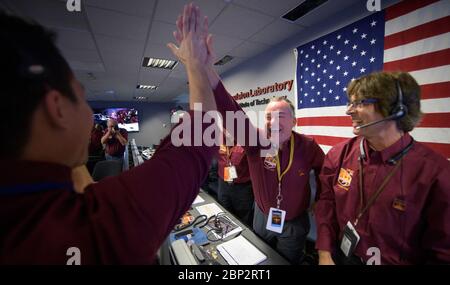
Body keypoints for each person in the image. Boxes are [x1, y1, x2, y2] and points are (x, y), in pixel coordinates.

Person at [0, 5, 218, 264]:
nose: (91, 116)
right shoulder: (93, 229)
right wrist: (196, 65)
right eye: (81, 96)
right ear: (57, 108)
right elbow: (200, 137)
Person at [168, 8, 325, 264]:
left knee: (287, 261)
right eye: (269, 117)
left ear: (295, 121)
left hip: (294, 222)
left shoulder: (308, 146)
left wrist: (319, 199)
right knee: (261, 260)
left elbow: (324, 172)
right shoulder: (257, 142)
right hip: (263, 216)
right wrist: (207, 72)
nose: (273, 122)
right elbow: (233, 113)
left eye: (281, 117)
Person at [314, 71, 450, 265]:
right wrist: (324, 253)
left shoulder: (436, 173)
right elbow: (326, 203)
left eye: (360, 103)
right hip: (341, 257)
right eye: (350, 103)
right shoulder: (338, 155)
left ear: (396, 110)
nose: (349, 111)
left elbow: (442, 251)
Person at [217, 130, 254, 227]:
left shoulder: (248, 142)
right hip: (223, 183)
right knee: (223, 213)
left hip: (242, 188)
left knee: (243, 219)